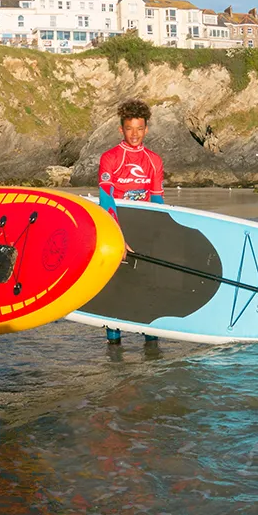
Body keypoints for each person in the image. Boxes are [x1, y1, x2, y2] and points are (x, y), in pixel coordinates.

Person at [98, 99, 164, 347]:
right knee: (117, 289)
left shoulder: (154, 160)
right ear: (121, 129)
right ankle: (114, 348)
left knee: (148, 288)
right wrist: (118, 236)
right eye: (129, 128)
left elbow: (157, 201)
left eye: (139, 128)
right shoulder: (110, 158)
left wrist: (160, 234)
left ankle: (152, 343)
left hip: (145, 231)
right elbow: (106, 200)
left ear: (146, 129)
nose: (134, 134)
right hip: (117, 228)